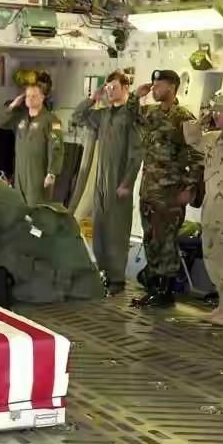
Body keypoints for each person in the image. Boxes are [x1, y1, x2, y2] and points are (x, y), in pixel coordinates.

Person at [128, 69, 204, 308]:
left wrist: (190, 188)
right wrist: (135, 96)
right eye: (153, 83)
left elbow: (197, 155)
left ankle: (165, 290)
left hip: (170, 194)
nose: (154, 88)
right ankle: (154, 287)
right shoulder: (151, 113)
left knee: (166, 242)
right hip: (149, 191)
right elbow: (130, 117)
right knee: (151, 239)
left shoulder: (183, 117)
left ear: (172, 87)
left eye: (159, 84)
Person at [71, 70, 143, 295]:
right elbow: (78, 117)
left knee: (116, 231)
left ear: (125, 88)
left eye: (114, 87)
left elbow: (136, 153)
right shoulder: (103, 115)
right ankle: (103, 273)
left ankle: (117, 279)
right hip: (101, 180)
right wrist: (93, 98)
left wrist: (127, 182)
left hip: (119, 180)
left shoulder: (130, 117)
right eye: (108, 88)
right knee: (99, 229)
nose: (110, 91)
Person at [184, 95, 223, 325]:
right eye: (215, 111)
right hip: (211, 207)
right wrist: (203, 119)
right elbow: (191, 138)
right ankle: (222, 305)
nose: (217, 115)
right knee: (211, 256)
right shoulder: (212, 138)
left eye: (222, 111)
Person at [0, 75, 64, 206]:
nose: (30, 98)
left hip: (38, 175)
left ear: (42, 97)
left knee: (36, 209)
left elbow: (56, 147)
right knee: (20, 208)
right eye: (28, 96)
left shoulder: (52, 121)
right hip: (20, 174)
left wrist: (52, 172)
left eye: (34, 96)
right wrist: (13, 105)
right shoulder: (20, 118)